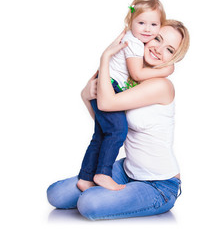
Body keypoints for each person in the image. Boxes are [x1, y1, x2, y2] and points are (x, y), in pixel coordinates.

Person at [47, 20, 190, 220]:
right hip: (127, 169)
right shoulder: (127, 77)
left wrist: (105, 57)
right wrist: (85, 95)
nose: (158, 49)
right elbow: (106, 123)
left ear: (173, 59)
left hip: (159, 184)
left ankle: (147, 198)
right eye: (157, 38)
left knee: (89, 203)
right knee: (56, 194)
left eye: (169, 49)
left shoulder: (162, 86)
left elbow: (105, 103)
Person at [77, 0, 173, 191]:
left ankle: (86, 177)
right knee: (117, 131)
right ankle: (102, 174)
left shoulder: (130, 39)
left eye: (153, 25)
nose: (147, 29)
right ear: (131, 22)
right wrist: (167, 70)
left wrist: (89, 89)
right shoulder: (134, 44)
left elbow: (102, 103)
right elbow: (137, 74)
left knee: (102, 134)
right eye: (142, 23)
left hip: (107, 87)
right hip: (109, 87)